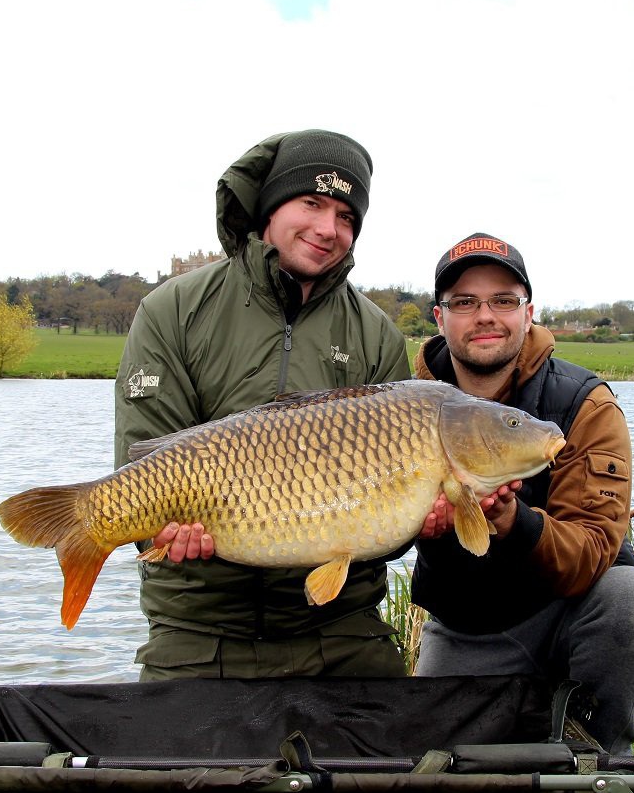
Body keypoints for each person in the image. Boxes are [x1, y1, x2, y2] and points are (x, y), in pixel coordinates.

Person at [114, 130, 411, 680]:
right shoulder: (172, 311)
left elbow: (391, 526)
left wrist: (424, 519)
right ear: (269, 208)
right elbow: (141, 465)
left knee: (403, 762)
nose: (328, 229)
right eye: (313, 203)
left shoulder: (377, 336)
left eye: (347, 216)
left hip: (339, 627)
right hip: (199, 628)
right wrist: (154, 530)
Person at [410, 232, 634, 756]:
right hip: (467, 627)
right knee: (432, 772)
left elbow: (592, 552)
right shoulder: (407, 407)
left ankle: (602, 762)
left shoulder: (583, 405)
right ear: (440, 319)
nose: (485, 315)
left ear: (528, 312)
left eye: (503, 300)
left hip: (572, 615)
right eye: (465, 302)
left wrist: (515, 522)